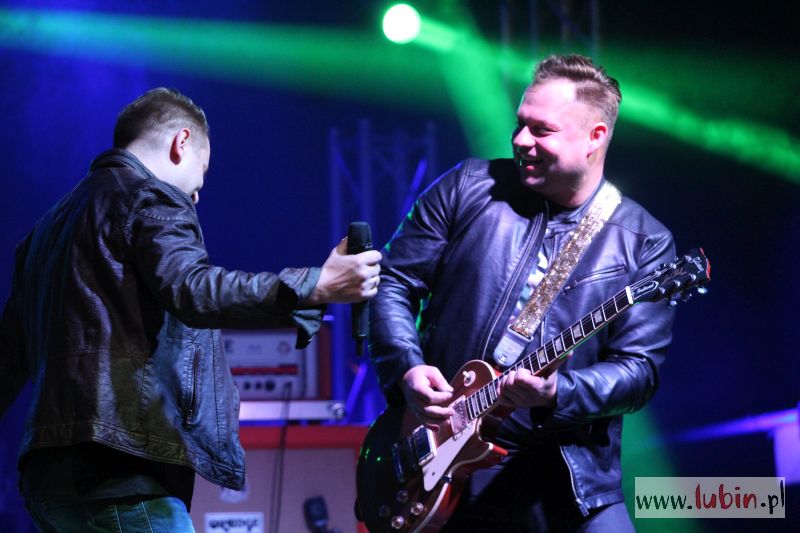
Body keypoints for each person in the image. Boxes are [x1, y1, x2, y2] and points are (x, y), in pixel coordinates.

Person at [0, 87, 382, 531]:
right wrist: (315, 285)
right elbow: (194, 289)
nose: (197, 197)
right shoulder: (150, 195)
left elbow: (8, 360)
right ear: (182, 142)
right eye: (202, 174)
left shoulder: (45, 231)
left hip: (48, 480)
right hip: (122, 470)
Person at [369, 54, 676, 531]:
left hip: (568, 477)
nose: (520, 140)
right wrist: (406, 367)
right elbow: (392, 282)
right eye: (520, 124)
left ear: (595, 137)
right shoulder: (468, 187)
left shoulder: (643, 242)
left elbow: (638, 372)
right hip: (442, 452)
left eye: (542, 130)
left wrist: (557, 392)